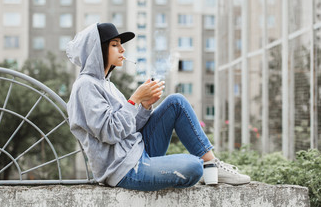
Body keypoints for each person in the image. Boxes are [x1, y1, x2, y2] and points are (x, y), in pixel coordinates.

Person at [66, 22, 250, 191]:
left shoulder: (107, 85)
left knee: (176, 102)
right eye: (115, 45)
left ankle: (213, 164)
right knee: (194, 166)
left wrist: (145, 106)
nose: (122, 49)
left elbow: (130, 129)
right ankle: (206, 168)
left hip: (139, 150)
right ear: (97, 51)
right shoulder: (85, 86)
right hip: (123, 169)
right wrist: (134, 99)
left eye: (121, 44)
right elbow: (110, 132)